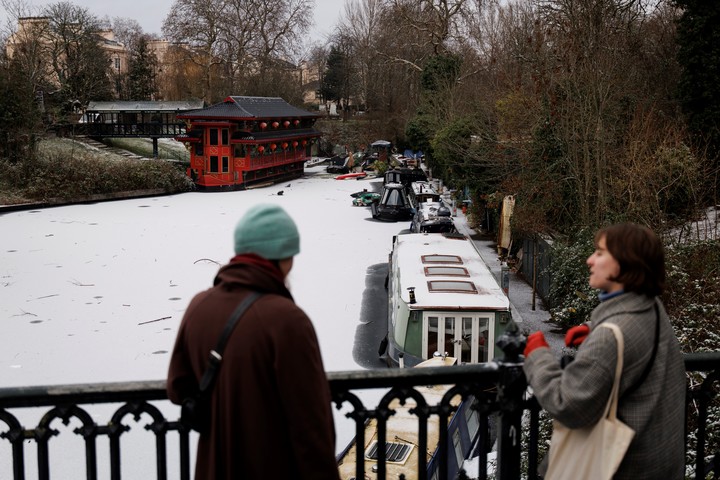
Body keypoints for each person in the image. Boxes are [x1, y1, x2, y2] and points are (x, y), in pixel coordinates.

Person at [167, 203, 341, 480]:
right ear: (285, 256)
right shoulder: (288, 321)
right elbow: (311, 428)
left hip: (213, 467)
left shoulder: (198, 306)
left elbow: (178, 387)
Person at [523, 223, 685, 479]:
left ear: (624, 263)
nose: (590, 260)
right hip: (659, 461)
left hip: (625, 467)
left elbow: (567, 404)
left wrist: (538, 355)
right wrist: (594, 327)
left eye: (599, 252)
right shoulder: (651, 306)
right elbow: (630, 333)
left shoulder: (611, 335)